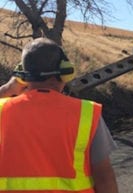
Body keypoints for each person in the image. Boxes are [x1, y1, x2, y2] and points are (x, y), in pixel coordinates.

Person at [0, 38, 119, 193]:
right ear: (66, 72)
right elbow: (104, 178)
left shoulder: (2, 110)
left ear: (23, 76)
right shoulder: (87, 113)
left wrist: (7, 88)